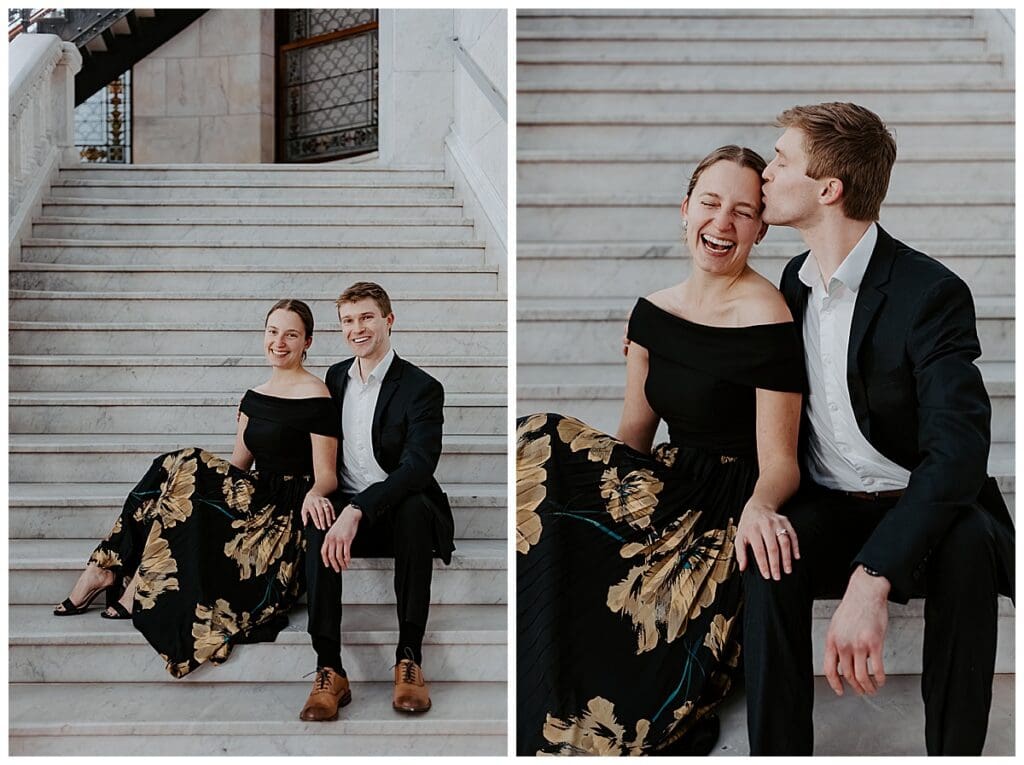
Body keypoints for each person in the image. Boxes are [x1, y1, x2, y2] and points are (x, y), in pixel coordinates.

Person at [743, 102, 1015, 755]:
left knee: (970, 547)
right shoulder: (794, 282)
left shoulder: (929, 293)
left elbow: (958, 455)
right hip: (832, 504)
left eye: (780, 161)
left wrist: (873, 576)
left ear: (829, 189)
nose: (764, 175)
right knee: (768, 552)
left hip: (927, 508)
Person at [516, 146, 807, 755]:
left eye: (743, 211)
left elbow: (780, 460)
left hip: (726, 502)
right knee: (535, 438)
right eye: (710, 202)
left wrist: (760, 507)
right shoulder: (650, 313)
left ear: (759, 227)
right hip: (664, 484)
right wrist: (607, 525)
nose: (722, 222)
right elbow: (631, 441)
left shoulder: (767, 315)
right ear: (685, 210)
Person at [54, 299, 340, 679]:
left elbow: (327, 475)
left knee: (186, 460)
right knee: (175, 469)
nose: (279, 341)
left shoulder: (317, 395)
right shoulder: (253, 397)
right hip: (249, 496)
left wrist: (316, 494)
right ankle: (112, 570)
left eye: (291, 334)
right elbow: (239, 465)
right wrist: (199, 490)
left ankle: (116, 571)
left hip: (284, 511)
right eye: (272, 331)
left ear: (308, 342)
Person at [299, 281, 455, 722]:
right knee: (316, 520)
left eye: (366, 317)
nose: (357, 328)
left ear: (388, 320)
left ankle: (409, 659)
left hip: (395, 507)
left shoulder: (422, 388)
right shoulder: (332, 379)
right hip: (345, 503)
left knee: (412, 509)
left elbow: (417, 469)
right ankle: (328, 668)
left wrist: (358, 509)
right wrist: (318, 491)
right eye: (348, 321)